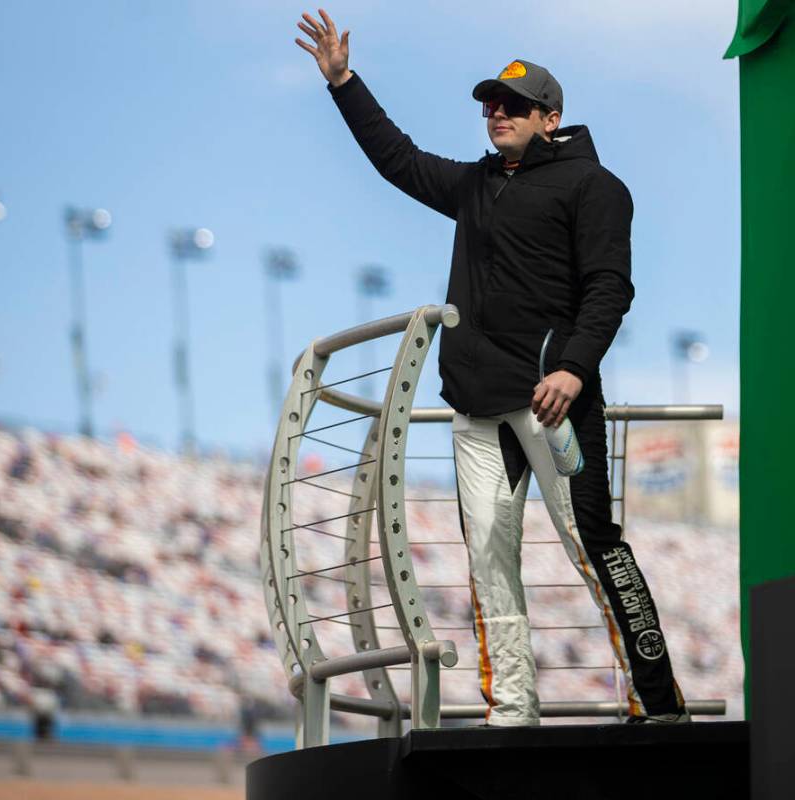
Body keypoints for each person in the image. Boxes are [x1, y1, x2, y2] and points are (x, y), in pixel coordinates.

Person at [295, 9, 689, 726]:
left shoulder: (594, 186)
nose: (496, 113)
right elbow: (398, 158)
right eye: (489, 105)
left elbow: (609, 287)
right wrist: (344, 83)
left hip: (553, 402)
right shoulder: (475, 185)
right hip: (476, 408)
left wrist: (572, 369)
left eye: (513, 105)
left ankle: (659, 708)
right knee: (486, 560)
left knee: (592, 546)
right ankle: (511, 709)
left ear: (550, 117)